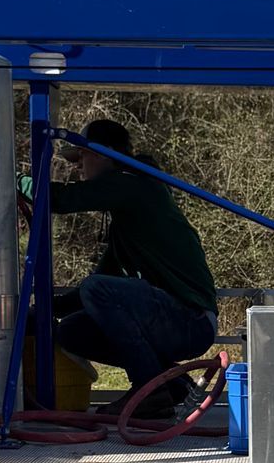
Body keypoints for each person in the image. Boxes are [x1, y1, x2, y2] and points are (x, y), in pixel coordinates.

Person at [43, 118, 219, 407]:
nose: (78, 167)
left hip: (190, 320)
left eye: (82, 157)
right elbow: (96, 285)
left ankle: (149, 392)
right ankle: (171, 384)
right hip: (175, 318)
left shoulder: (134, 184)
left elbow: (62, 199)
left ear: (104, 153)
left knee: (97, 288)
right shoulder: (128, 221)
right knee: (72, 331)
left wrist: (17, 183)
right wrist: (47, 308)